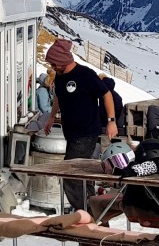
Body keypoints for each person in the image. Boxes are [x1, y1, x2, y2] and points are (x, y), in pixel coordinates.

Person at [43, 38, 117, 211]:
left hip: (86, 133)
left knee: (70, 174)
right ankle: (96, 212)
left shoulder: (85, 74)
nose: (53, 67)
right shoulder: (60, 78)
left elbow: (106, 94)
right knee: (83, 175)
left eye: (54, 63)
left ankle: (86, 213)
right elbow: (59, 97)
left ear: (62, 60)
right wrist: (52, 116)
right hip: (71, 133)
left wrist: (111, 121)